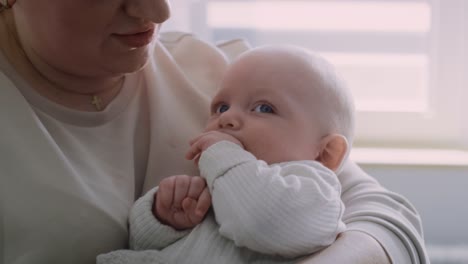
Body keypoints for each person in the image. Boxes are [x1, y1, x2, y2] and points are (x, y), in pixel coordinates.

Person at [0, 0, 429, 264]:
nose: (159, 12)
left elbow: (388, 221)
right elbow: (145, 240)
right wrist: (162, 216)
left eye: (261, 109)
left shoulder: (231, 76)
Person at [97, 45, 352, 263]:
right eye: (221, 106)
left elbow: (262, 221)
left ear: (325, 153)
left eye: (263, 108)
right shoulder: (215, 182)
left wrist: (223, 155)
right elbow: (140, 243)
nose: (227, 117)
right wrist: (163, 218)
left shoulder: (315, 191)